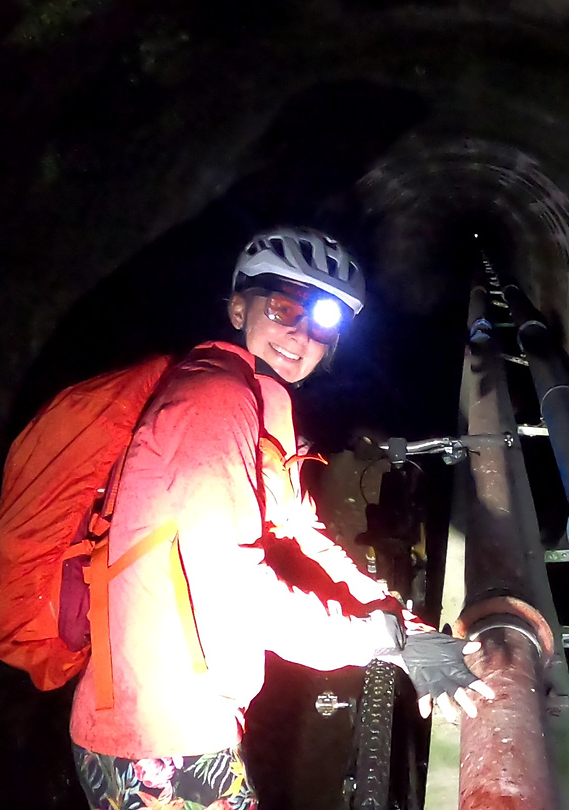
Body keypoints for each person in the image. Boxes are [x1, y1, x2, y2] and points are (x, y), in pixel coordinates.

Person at [69, 227, 493, 809]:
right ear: (239, 307)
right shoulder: (212, 402)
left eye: (324, 323)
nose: (301, 333)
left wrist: (398, 619)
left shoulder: (256, 402)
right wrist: (375, 641)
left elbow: (306, 534)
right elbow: (231, 591)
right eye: (284, 307)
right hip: (158, 732)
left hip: (174, 711)